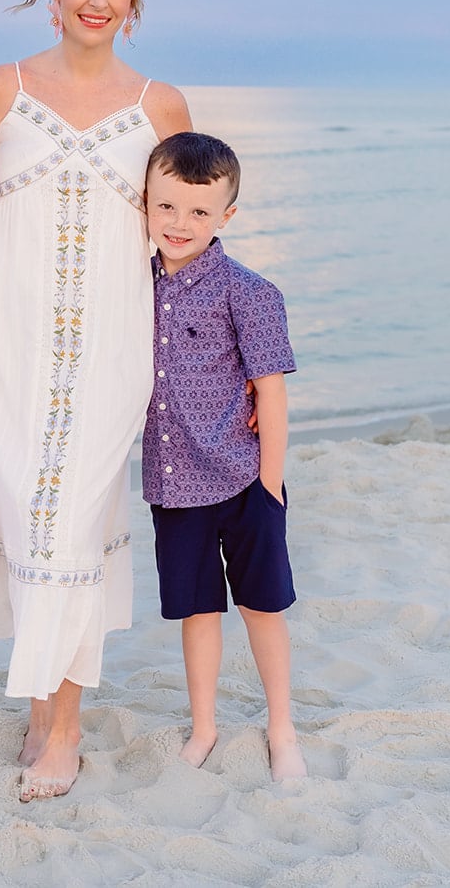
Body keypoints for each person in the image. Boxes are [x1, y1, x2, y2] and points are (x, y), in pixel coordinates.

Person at [0, 0, 193, 801]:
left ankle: (64, 728)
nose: (98, 0)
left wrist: (221, 352)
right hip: (7, 343)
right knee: (30, 522)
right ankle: (43, 708)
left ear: (135, 1)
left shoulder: (161, 107)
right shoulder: (0, 88)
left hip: (113, 349)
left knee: (72, 524)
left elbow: (186, 237)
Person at [141, 131, 307, 782]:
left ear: (226, 216)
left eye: (199, 211)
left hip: (242, 479)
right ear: (145, 203)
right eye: (166, 206)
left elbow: (272, 391)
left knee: (262, 606)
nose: (180, 223)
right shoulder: (135, 285)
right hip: (173, 483)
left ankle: (282, 726)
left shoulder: (250, 292)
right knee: (198, 609)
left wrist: (270, 485)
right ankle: (204, 726)